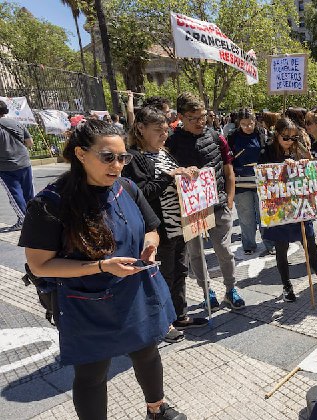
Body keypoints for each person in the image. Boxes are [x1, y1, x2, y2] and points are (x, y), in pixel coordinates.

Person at [19, 120, 186, 420]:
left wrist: (149, 244)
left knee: (147, 352)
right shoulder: (50, 204)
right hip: (86, 303)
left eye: (123, 158)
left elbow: (152, 228)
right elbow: (39, 264)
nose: (118, 166)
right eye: (108, 157)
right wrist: (99, 266)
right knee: (92, 374)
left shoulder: (127, 188)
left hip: (135, 292)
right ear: (81, 154)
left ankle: (157, 409)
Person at [122, 106, 209, 342]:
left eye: (165, 130)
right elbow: (141, 191)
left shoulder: (165, 153)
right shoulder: (135, 157)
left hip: (178, 224)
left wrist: (187, 173)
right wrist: (168, 176)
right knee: (163, 275)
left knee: (180, 270)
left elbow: (175, 178)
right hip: (159, 229)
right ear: (141, 129)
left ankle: (179, 315)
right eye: (158, 130)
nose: (164, 135)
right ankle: (163, 322)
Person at [165, 93, 244, 311]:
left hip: (218, 205)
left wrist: (229, 199)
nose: (200, 122)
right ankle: (206, 290)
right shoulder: (171, 142)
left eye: (203, 117)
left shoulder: (217, 137)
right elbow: (165, 174)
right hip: (191, 209)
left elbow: (229, 171)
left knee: (225, 251)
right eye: (193, 118)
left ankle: (231, 289)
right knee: (196, 253)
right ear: (180, 117)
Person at [260, 118, 317, 302]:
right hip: (281, 209)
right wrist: (283, 167)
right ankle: (287, 286)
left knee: (311, 246)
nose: (290, 141)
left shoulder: (299, 148)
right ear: (277, 134)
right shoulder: (266, 151)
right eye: (286, 137)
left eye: (293, 137)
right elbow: (263, 176)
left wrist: (303, 165)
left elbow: (312, 168)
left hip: (300, 207)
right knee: (281, 249)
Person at [228, 109, 275, 256]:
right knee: (245, 216)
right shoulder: (232, 137)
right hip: (241, 182)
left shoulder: (263, 134)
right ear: (238, 124)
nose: (248, 127)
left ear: (255, 121)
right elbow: (228, 159)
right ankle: (248, 245)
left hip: (261, 182)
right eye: (244, 124)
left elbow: (270, 154)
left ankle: (269, 243)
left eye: (250, 123)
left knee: (264, 215)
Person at [0, 100, 34, 228]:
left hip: (5, 167)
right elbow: (30, 142)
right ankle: (35, 217)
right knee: (28, 192)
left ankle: (23, 221)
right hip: (24, 162)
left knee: (15, 194)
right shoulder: (16, 123)